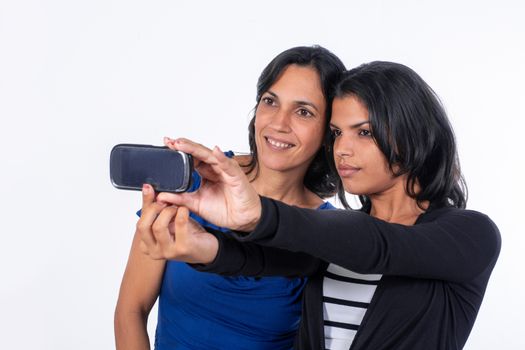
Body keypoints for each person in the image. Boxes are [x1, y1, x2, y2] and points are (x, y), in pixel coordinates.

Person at [143, 61, 501, 350]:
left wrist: (259, 213)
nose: (342, 149)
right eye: (335, 133)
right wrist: (202, 245)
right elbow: (264, 259)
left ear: (411, 136)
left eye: (363, 132)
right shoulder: (334, 240)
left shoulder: (472, 235)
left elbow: (378, 247)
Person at [114, 46, 346, 349]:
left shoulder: (325, 231)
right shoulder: (198, 179)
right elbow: (130, 310)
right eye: (270, 101)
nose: (279, 122)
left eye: (303, 111)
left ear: (329, 130)